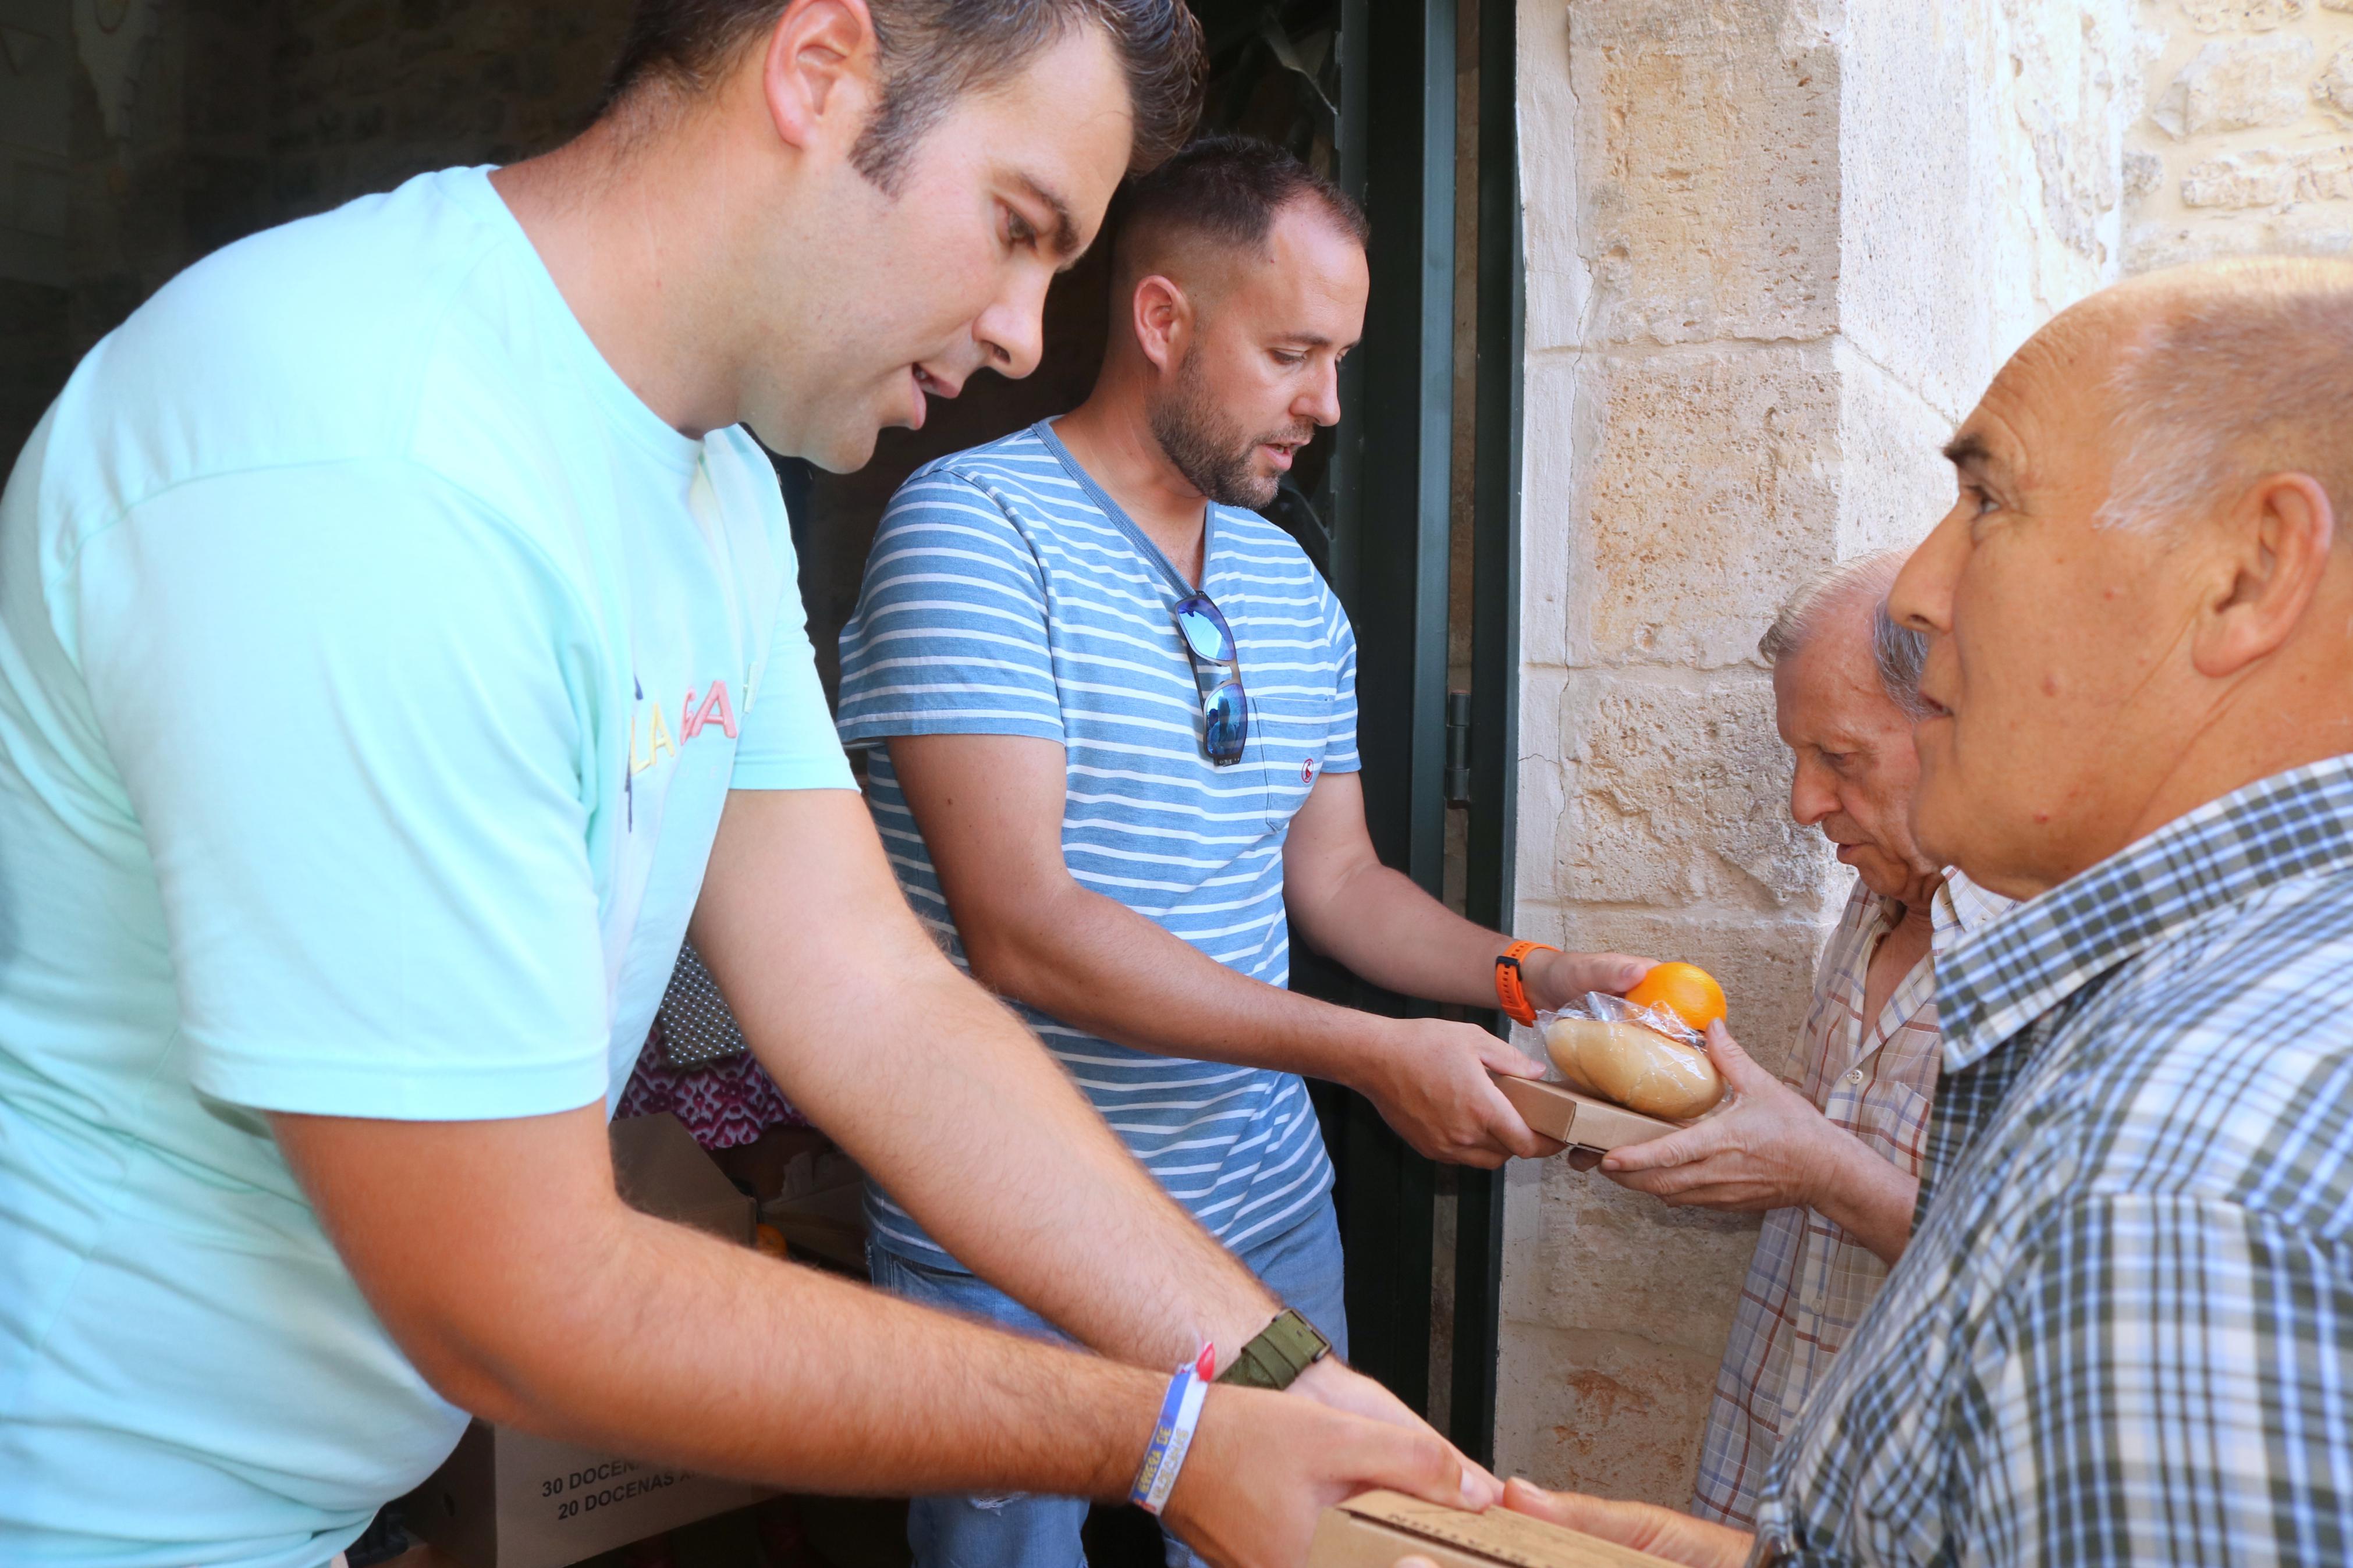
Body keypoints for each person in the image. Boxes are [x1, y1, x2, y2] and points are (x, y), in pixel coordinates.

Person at [0, 7, 1497, 1566]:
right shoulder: (365, 455)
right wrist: (1168, 1437)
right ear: (816, 71)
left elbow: (872, 998)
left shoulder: (709, 483)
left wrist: (1284, 1382)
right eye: (1015, 229)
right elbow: (515, 1301)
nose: (1024, 335)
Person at [833, 134, 1645, 1568]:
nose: (1326, 404)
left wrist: (1528, 974)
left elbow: (1337, 882)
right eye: (1294, 353)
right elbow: (1024, 920)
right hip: (1007, 1233)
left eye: (1338, 358)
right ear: (1162, 320)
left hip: (1269, 1232)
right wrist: (1367, 1053)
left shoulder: (1288, 578)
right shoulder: (970, 534)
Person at [1501, 257, 2353, 1565]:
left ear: (2250, 572)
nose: (1922, 585)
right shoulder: (2201, 990)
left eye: (1988, 497)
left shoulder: (2178, 1193)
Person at [1593, 552, 2009, 1528]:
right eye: (1797, 757)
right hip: (1767, 1474)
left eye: (1842, 759)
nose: (1802, 804)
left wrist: (1819, 1166)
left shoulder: (2056, 947)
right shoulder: (1873, 902)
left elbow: (2038, 1269)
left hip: (1906, 1513)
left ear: (1953, 719)